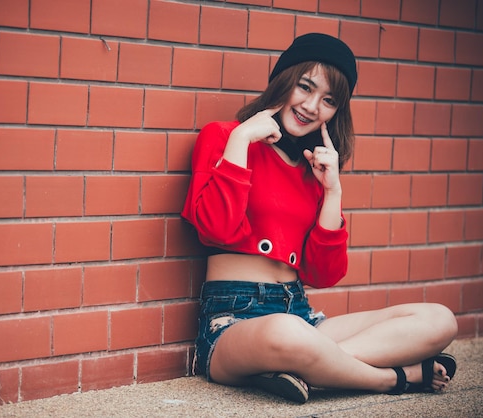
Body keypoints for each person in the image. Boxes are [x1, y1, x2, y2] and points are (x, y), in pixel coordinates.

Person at [181, 33, 458, 403]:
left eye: (328, 101)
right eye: (305, 87)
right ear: (284, 80)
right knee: (285, 333)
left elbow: (322, 275)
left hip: (301, 314)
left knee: (439, 320)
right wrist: (241, 141)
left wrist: (333, 191)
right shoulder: (224, 137)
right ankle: (393, 378)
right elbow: (214, 228)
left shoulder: (314, 168)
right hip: (233, 321)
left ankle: (309, 367)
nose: (312, 106)